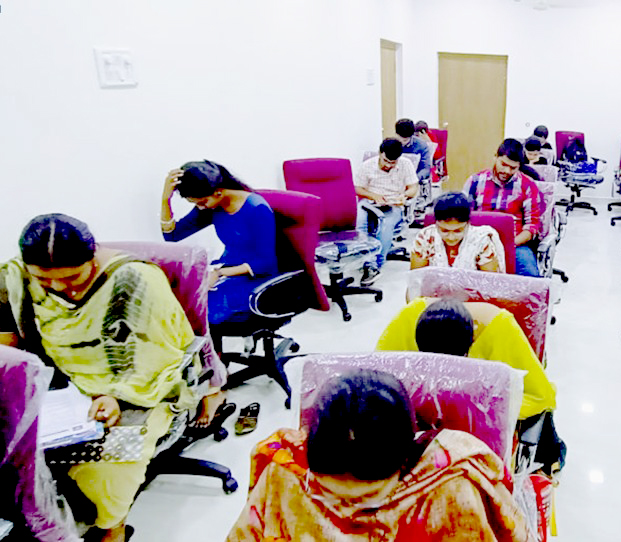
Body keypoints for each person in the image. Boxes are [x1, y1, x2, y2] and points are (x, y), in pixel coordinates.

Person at [0, 214, 206, 542]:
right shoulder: (14, 276)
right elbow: (9, 346)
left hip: (141, 387)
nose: (58, 288)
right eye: (44, 279)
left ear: (93, 254)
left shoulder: (134, 279)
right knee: (17, 450)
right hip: (64, 385)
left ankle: (114, 525)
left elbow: (160, 356)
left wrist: (114, 394)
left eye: (72, 277)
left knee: (108, 463)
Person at [226, 368, 530, 541]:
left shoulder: (451, 489)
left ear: (405, 462)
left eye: (369, 498)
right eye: (327, 495)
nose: (346, 514)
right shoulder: (285, 473)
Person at [376, 298, 555, 420]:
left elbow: (539, 396)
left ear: (472, 342)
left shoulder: (500, 328)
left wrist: (476, 410)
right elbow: (376, 382)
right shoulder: (407, 319)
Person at [161, 160, 277, 325]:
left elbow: (266, 263)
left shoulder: (257, 208)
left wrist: (219, 273)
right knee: (172, 296)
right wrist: (165, 199)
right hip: (225, 271)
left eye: (202, 202)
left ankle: (203, 343)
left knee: (196, 309)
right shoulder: (213, 206)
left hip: (255, 279)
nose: (201, 208)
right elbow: (172, 235)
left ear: (219, 192)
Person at [463, 139, 544, 277]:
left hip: (515, 244)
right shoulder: (475, 181)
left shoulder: (528, 186)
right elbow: (462, 216)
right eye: (503, 164)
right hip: (477, 241)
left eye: (513, 168)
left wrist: (510, 244)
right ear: (495, 157)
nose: (507, 171)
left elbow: (532, 226)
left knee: (530, 277)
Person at [355, 138, 420, 285]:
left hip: (393, 203)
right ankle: (366, 261)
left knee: (385, 225)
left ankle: (375, 265)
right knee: (360, 224)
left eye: (393, 162)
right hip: (369, 202)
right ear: (380, 153)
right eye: (385, 161)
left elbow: (413, 188)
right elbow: (358, 188)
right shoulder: (367, 166)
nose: (388, 165)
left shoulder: (405, 164)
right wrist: (373, 196)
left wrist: (404, 196)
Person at [411, 192, 505, 273]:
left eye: (458, 231)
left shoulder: (482, 242)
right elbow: (416, 280)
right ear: (436, 224)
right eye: (444, 231)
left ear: (468, 224)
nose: (451, 237)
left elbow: (489, 283)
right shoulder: (424, 238)